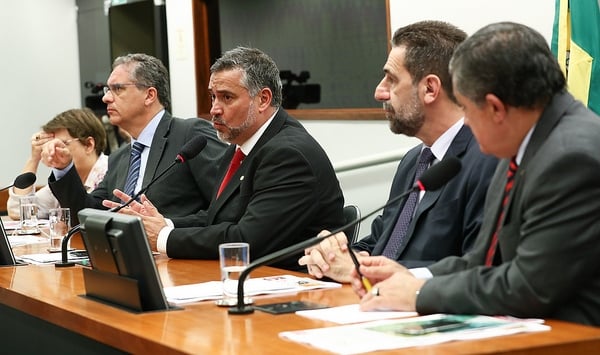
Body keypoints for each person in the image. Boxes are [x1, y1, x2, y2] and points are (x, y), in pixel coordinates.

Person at [351, 22, 600, 326]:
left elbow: (528, 286)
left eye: (467, 110)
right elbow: (483, 260)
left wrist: (420, 293)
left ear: (495, 108)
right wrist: (409, 276)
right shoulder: (527, 144)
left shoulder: (571, 157)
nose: (464, 123)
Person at [104, 47, 345, 271]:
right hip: (247, 279)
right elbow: (215, 218)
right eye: (213, 97)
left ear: (263, 99)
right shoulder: (239, 145)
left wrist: (164, 237)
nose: (214, 109)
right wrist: (161, 223)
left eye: (227, 98)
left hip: (294, 289)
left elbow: (247, 240)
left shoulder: (288, 155)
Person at [298, 21, 497, 282]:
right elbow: (382, 244)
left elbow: (478, 266)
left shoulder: (488, 160)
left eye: (391, 79)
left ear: (430, 89)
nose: (379, 92)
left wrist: (366, 272)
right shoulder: (415, 160)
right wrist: (338, 256)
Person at [41, 53, 226, 225]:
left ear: (149, 95)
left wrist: (167, 227)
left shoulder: (190, 136)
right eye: (107, 90)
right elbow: (87, 214)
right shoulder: (119, 157)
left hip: (178, 255)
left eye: (117, 89)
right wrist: (64, 169)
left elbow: (226, 209)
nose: (106, 98)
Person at [7, 108, 109, 220]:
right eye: (50, 145)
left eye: (62, 144)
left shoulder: (113, 172)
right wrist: (34, 159)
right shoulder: (63, 178)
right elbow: (18, 211)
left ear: (89, 145)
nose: (53, 152)